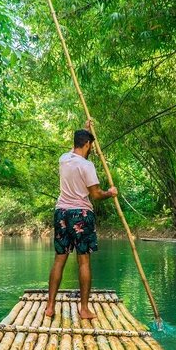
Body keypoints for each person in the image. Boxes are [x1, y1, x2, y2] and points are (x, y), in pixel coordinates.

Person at [45, 124, 117, 319]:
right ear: (86, 144)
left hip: (61, 212)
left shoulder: (63, 159)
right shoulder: (87, 166)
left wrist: (86, 129)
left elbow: (74, 151)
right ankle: (84, 309)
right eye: (90, 146)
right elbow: (95, 194)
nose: (92, 149)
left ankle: (50, 307)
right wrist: (110, 193)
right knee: (83, 261)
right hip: (81, 215)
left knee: (60, 259)